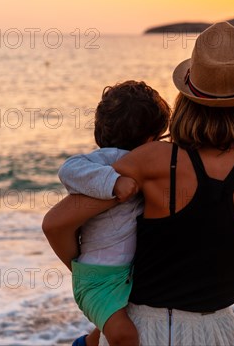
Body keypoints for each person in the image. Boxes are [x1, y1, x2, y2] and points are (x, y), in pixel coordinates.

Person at [44, 22, 234, 345]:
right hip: (219, 332)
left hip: (147, 331)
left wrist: (98, 279)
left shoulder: (155, 160)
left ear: (189, 97)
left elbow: (58, 222)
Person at [44, 81, 171, 346]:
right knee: (124, 335)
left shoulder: (145, 162)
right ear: (150, 138)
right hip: (97, 279)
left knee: (120, 324)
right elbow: (69, 170)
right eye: (159, 137)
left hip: (126, 272)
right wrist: (112, 183)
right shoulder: (106, 160)